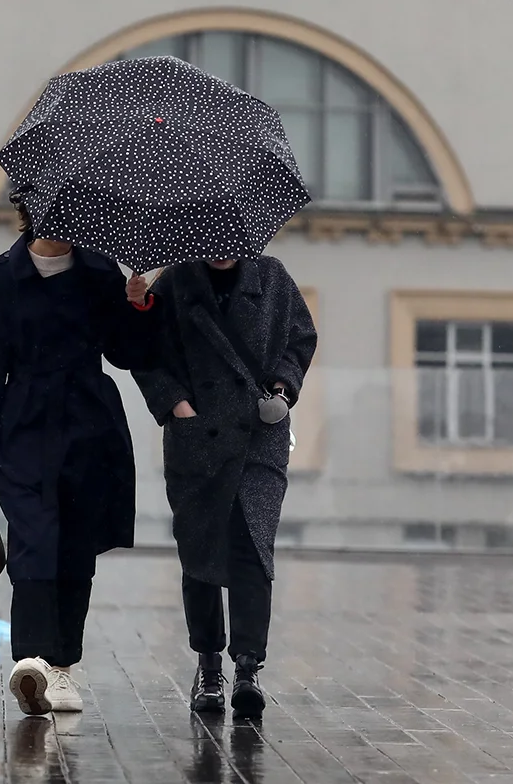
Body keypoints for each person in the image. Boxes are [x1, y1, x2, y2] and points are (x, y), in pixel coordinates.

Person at [0, 186, 161, 717]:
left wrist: (136, 304)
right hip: (21, 430)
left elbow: (129, 351)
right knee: (33, 543)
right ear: (30, 210)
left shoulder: (99, 273)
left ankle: (63, 666)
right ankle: (34, 661)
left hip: (90, 428)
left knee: (74, 549)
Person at [131, 254, 316, 719]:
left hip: (259, 435)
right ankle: (208, 664)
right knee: (200, 549)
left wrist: (282, 390)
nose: (222, 243)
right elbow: (144, 354)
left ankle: (249, 667)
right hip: (197, 440)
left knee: (253, 545)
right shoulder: (174, 283)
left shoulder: (272, 278)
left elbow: (301, 338)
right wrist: (177, 405)